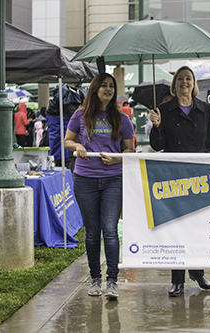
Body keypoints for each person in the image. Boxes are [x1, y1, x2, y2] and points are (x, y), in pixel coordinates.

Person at [149, 65, 210, 297]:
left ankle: (198, 271)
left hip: (199, 177)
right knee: (177, 227)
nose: (184, 82)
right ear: (174, 83)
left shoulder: (206, 109)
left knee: (198, 225)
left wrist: (208, 169)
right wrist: (157, 126)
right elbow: (158, 146)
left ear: (194, 83)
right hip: (174, 176)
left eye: (188, 78)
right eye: (180, 79)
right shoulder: (164, 110)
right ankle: (177, 278)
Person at [65, 73, 135, 299]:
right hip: (85, 179)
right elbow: (67, 141)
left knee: (111, 230)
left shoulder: (122, 119)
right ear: (94, 89)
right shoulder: (80, 115)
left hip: (114, 179)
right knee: (93, 232)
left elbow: (129, 150)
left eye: (111, 86)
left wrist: (118, 158)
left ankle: (112, 281)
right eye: (104, 85)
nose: (108, 89)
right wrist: (77, 146)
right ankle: (95, 278)